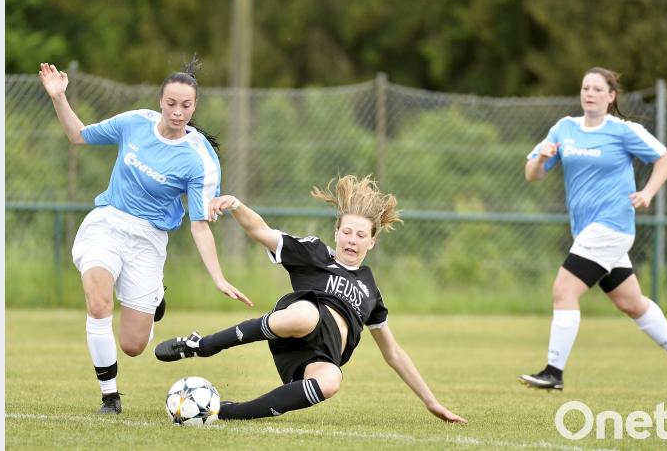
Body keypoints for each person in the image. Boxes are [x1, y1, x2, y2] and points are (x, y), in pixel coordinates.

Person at [155, 175, 467, 423]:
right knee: (307, 315)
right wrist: (236, 205)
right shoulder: (315, 253)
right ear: (336, 232)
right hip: (298, 320)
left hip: (318, 354)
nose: (352, 240)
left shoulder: (371, 290)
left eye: (361, 235)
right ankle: (201, 345)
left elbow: (393, 353)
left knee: (332, 380)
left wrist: (431, 402)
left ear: (372, 242)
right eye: (347, 232)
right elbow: (261, 231)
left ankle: (226, 412)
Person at [38, 58, 251, 414]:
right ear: (160, 100)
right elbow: (78, 135)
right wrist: (59, 96)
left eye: (186, 105)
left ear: (195, 106)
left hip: (148, 240)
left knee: (133, 345)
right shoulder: (135, 122)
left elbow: (199, 224)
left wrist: (218, 277)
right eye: (171, 103)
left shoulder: (200, 158)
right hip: (107, 223)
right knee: (99, 304)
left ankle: (154, 298)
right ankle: (110, 396)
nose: (178, 112)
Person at [519, 67, 667, 391]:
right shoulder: (564, 128)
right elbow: (532, 175)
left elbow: (665, 159)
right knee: (630, 302)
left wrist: (648, 192)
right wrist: (540, 159)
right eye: (586, 88)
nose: (590, 93)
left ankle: (553, 373)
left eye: (598, 89)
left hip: (612, 225)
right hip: (586, 230)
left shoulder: (623, 131)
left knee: (564, 290)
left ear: (611, 96)